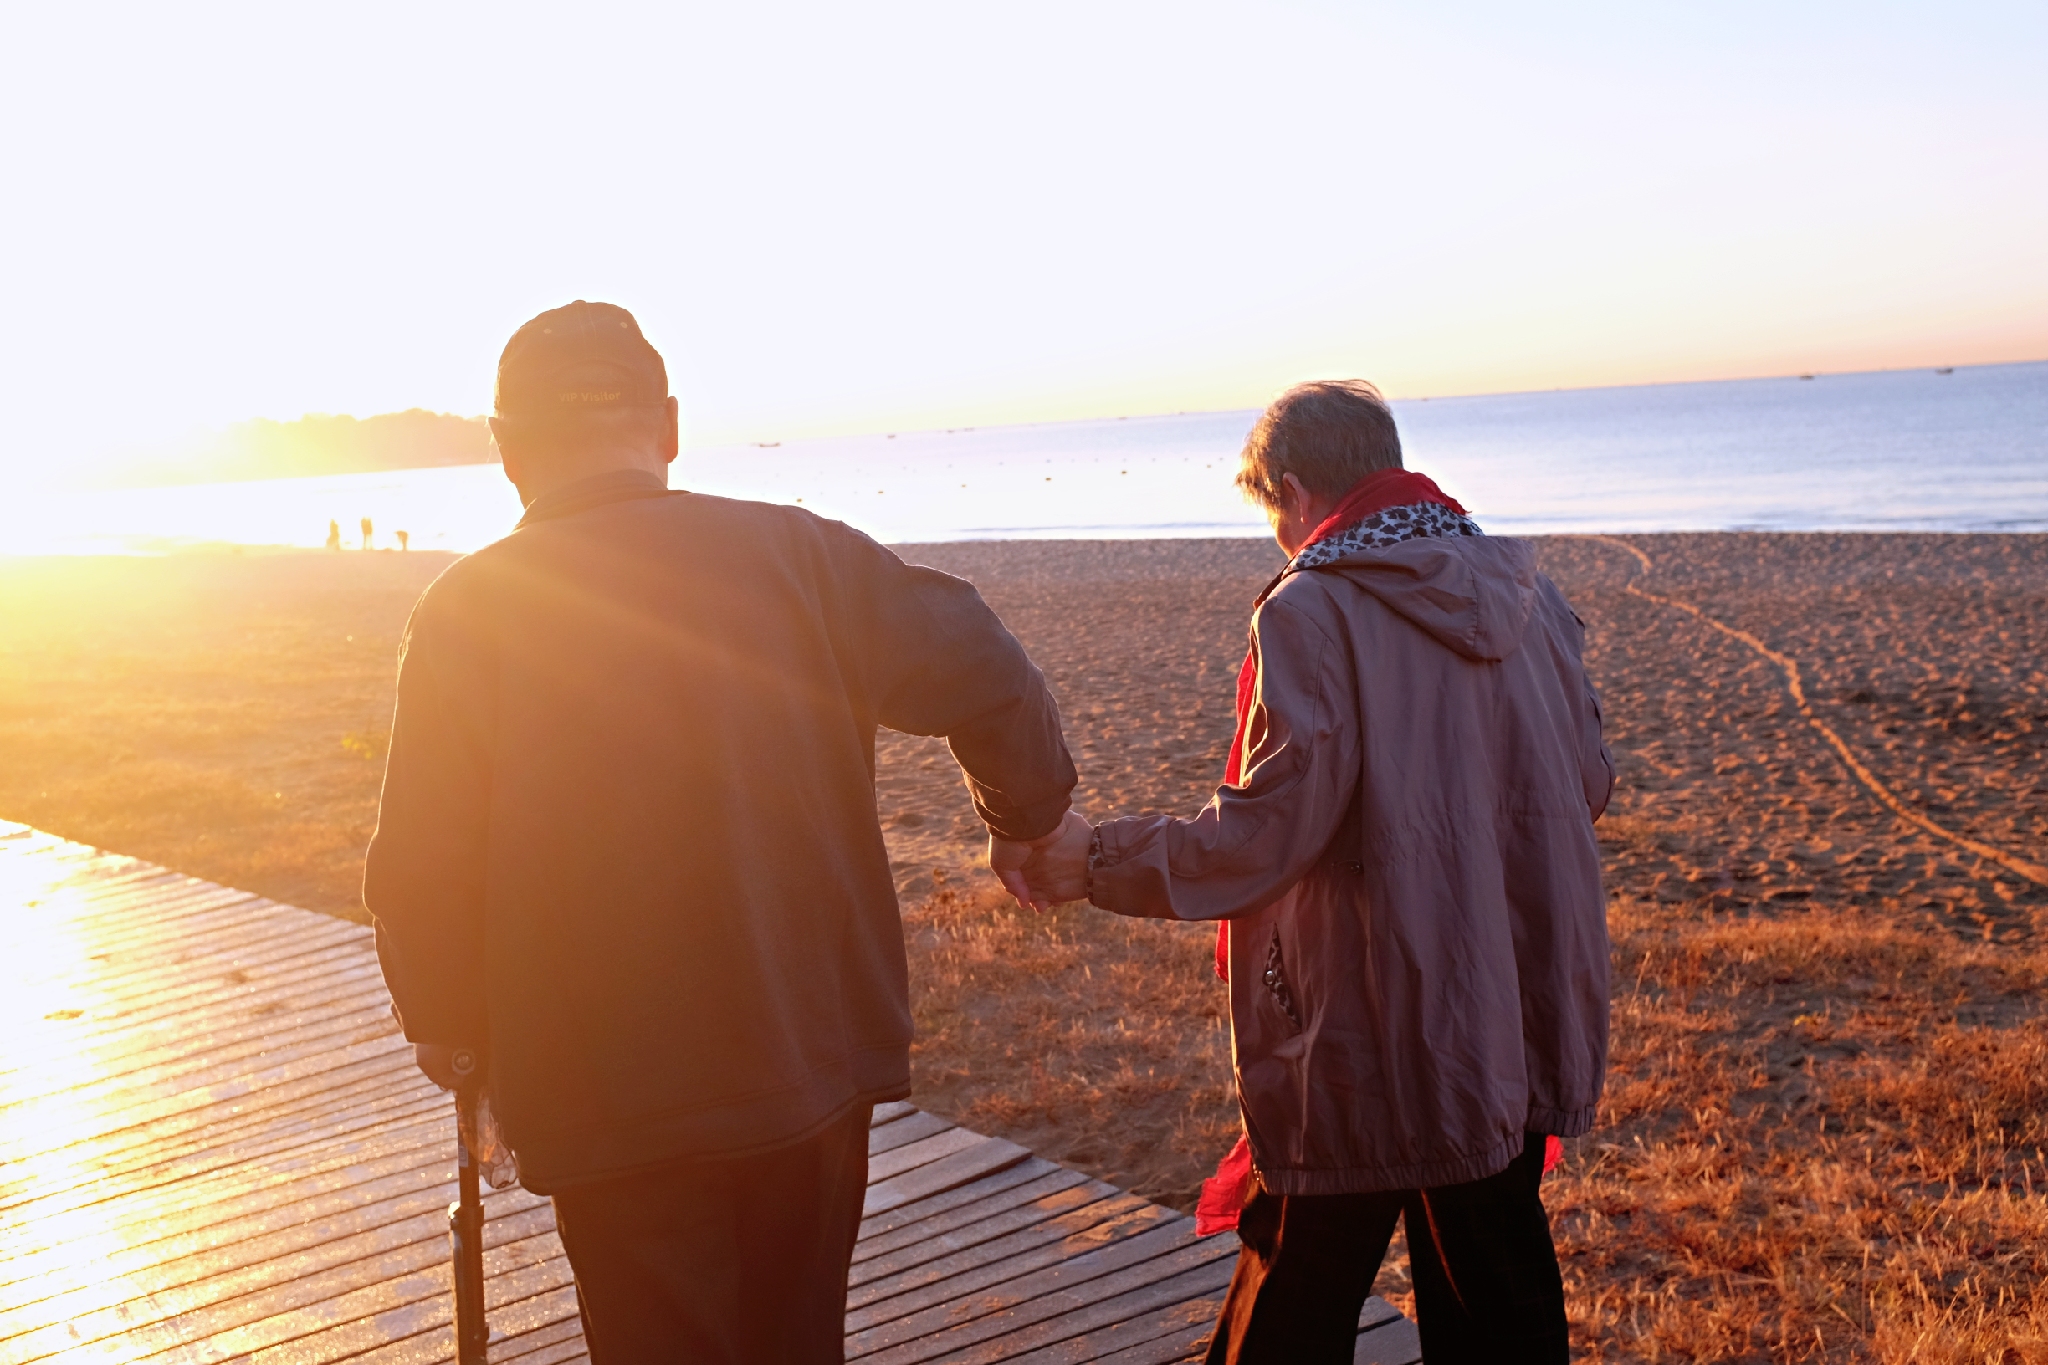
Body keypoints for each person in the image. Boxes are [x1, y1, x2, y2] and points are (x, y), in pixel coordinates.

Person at [364, 300, 1076, 1361]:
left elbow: (424, 865)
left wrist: (452, 1034)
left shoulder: (468, 609)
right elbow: (983, 664)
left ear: (507, 449)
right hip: (808, 1058)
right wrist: (1025, 820)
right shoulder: (804, 556)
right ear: (668, 425)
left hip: (603, 1095)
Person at [998, 380, 1613, 1364]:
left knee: (1296, 1278)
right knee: (1497, 1290)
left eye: (1274, 517)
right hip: (1508, 1001)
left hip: (1366, 1015)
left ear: (1290, 491)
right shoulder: (1527, 595)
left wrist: (1096, 858)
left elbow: (1263, 837)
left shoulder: (1314, 604)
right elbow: (1587, 782)